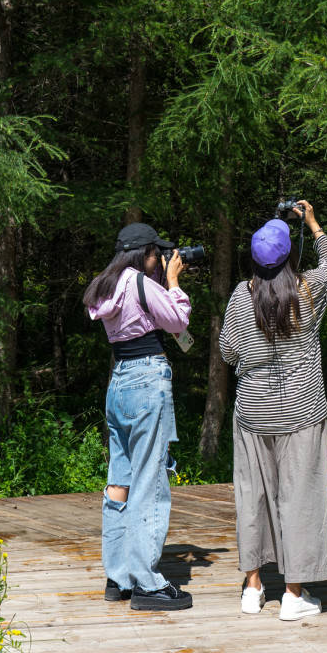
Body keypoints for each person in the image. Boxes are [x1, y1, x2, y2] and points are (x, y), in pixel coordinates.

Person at [220, 199, 327, 621]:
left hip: (252, 415)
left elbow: (228, 351)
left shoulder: (241, 295)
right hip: (301, 414)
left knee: (251, 498)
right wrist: (312, 223)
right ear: (290, 255)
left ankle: (253, 588)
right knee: (300, 498)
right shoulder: (308, 290)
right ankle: (293, 594)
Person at [84, 221, 193, 612]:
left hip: (119, 383)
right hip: (148, 379)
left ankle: (118, 577)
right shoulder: (140, 283)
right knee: (151, 479)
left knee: (121, 479)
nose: (160, 259)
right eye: (156, 254)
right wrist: (174, 282)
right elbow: (178, 321)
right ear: (145, 254)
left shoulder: (106, 284)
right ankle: (148, 583)